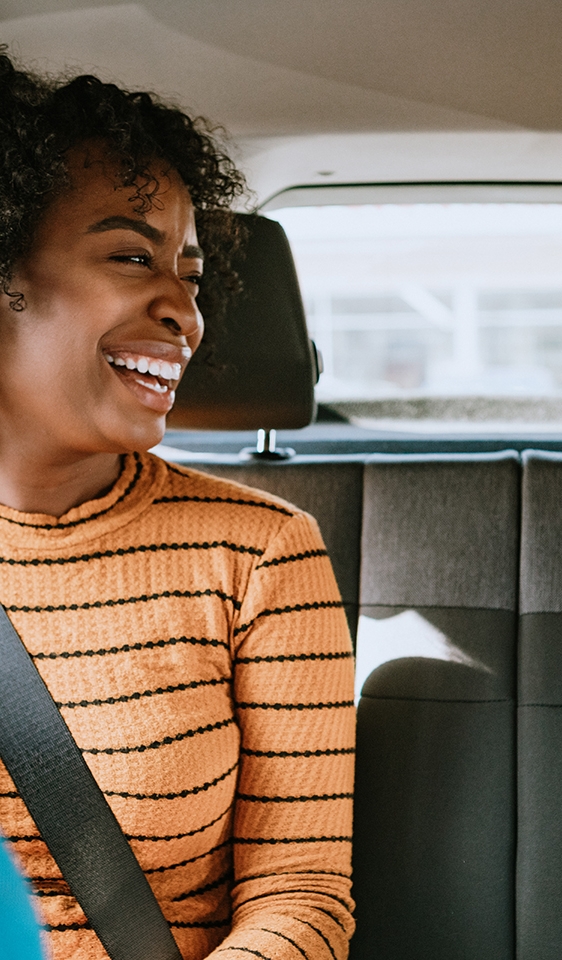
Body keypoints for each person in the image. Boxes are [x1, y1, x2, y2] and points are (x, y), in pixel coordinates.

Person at [0, 51, 355, 960]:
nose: (185, 315)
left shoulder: (259, 554)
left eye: (190, 277)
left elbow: (302, 894)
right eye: (131, 257)